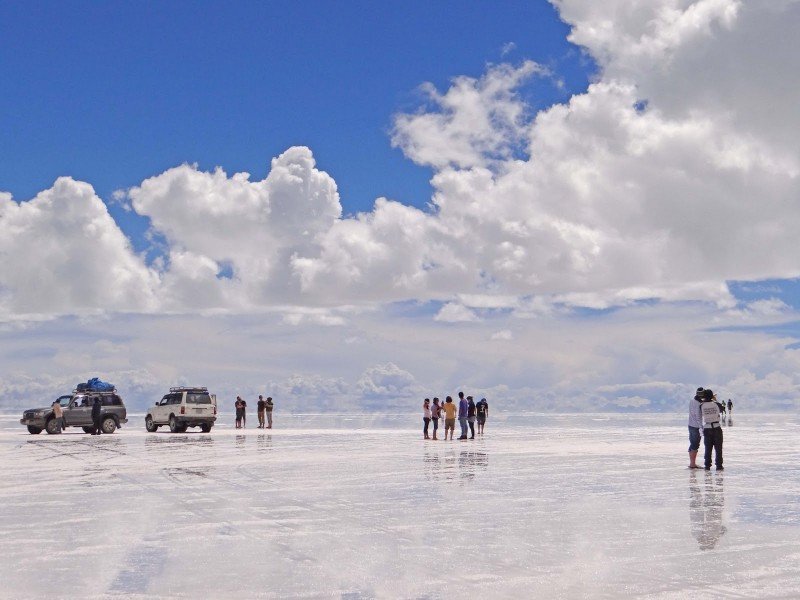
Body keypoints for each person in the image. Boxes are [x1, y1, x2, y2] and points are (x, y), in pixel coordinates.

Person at [700, 389, 723, 470]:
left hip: (707, 428)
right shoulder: (716, 404)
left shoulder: (701, 405)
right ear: (712, 396)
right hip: (716, 427)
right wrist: (715, 399)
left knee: (708, 448)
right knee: (718, 448)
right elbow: (722, 409)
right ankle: (719, 466)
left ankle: (707, 465)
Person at [687, 387, 703, 469]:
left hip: (690, 425)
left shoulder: (692, 401)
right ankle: (692, 464)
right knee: (695, 445)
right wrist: (701, 428)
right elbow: (698, 417)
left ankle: (692, 463)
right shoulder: (698, 404)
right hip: (696, 427)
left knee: (692, 444)